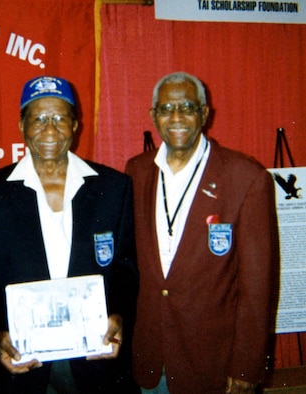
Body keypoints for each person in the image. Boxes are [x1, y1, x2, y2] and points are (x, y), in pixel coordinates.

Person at [0, 76, 139, 393]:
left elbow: (126, 268)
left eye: (60, 119)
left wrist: (119, 316)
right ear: (21, 125)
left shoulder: (113, 187)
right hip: (24, 363)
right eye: (39, 119)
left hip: (95, 359)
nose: (50, 131)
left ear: (75, 125)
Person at [125, 72, 279, 394]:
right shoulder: (136, 172)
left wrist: (247, 366)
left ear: (205, 114)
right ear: (154, 116)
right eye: (167, 109)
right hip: (151, 361)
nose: (177, 117)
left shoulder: (245, 177)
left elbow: (258, 286)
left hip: (215, 365)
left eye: (188, 107)